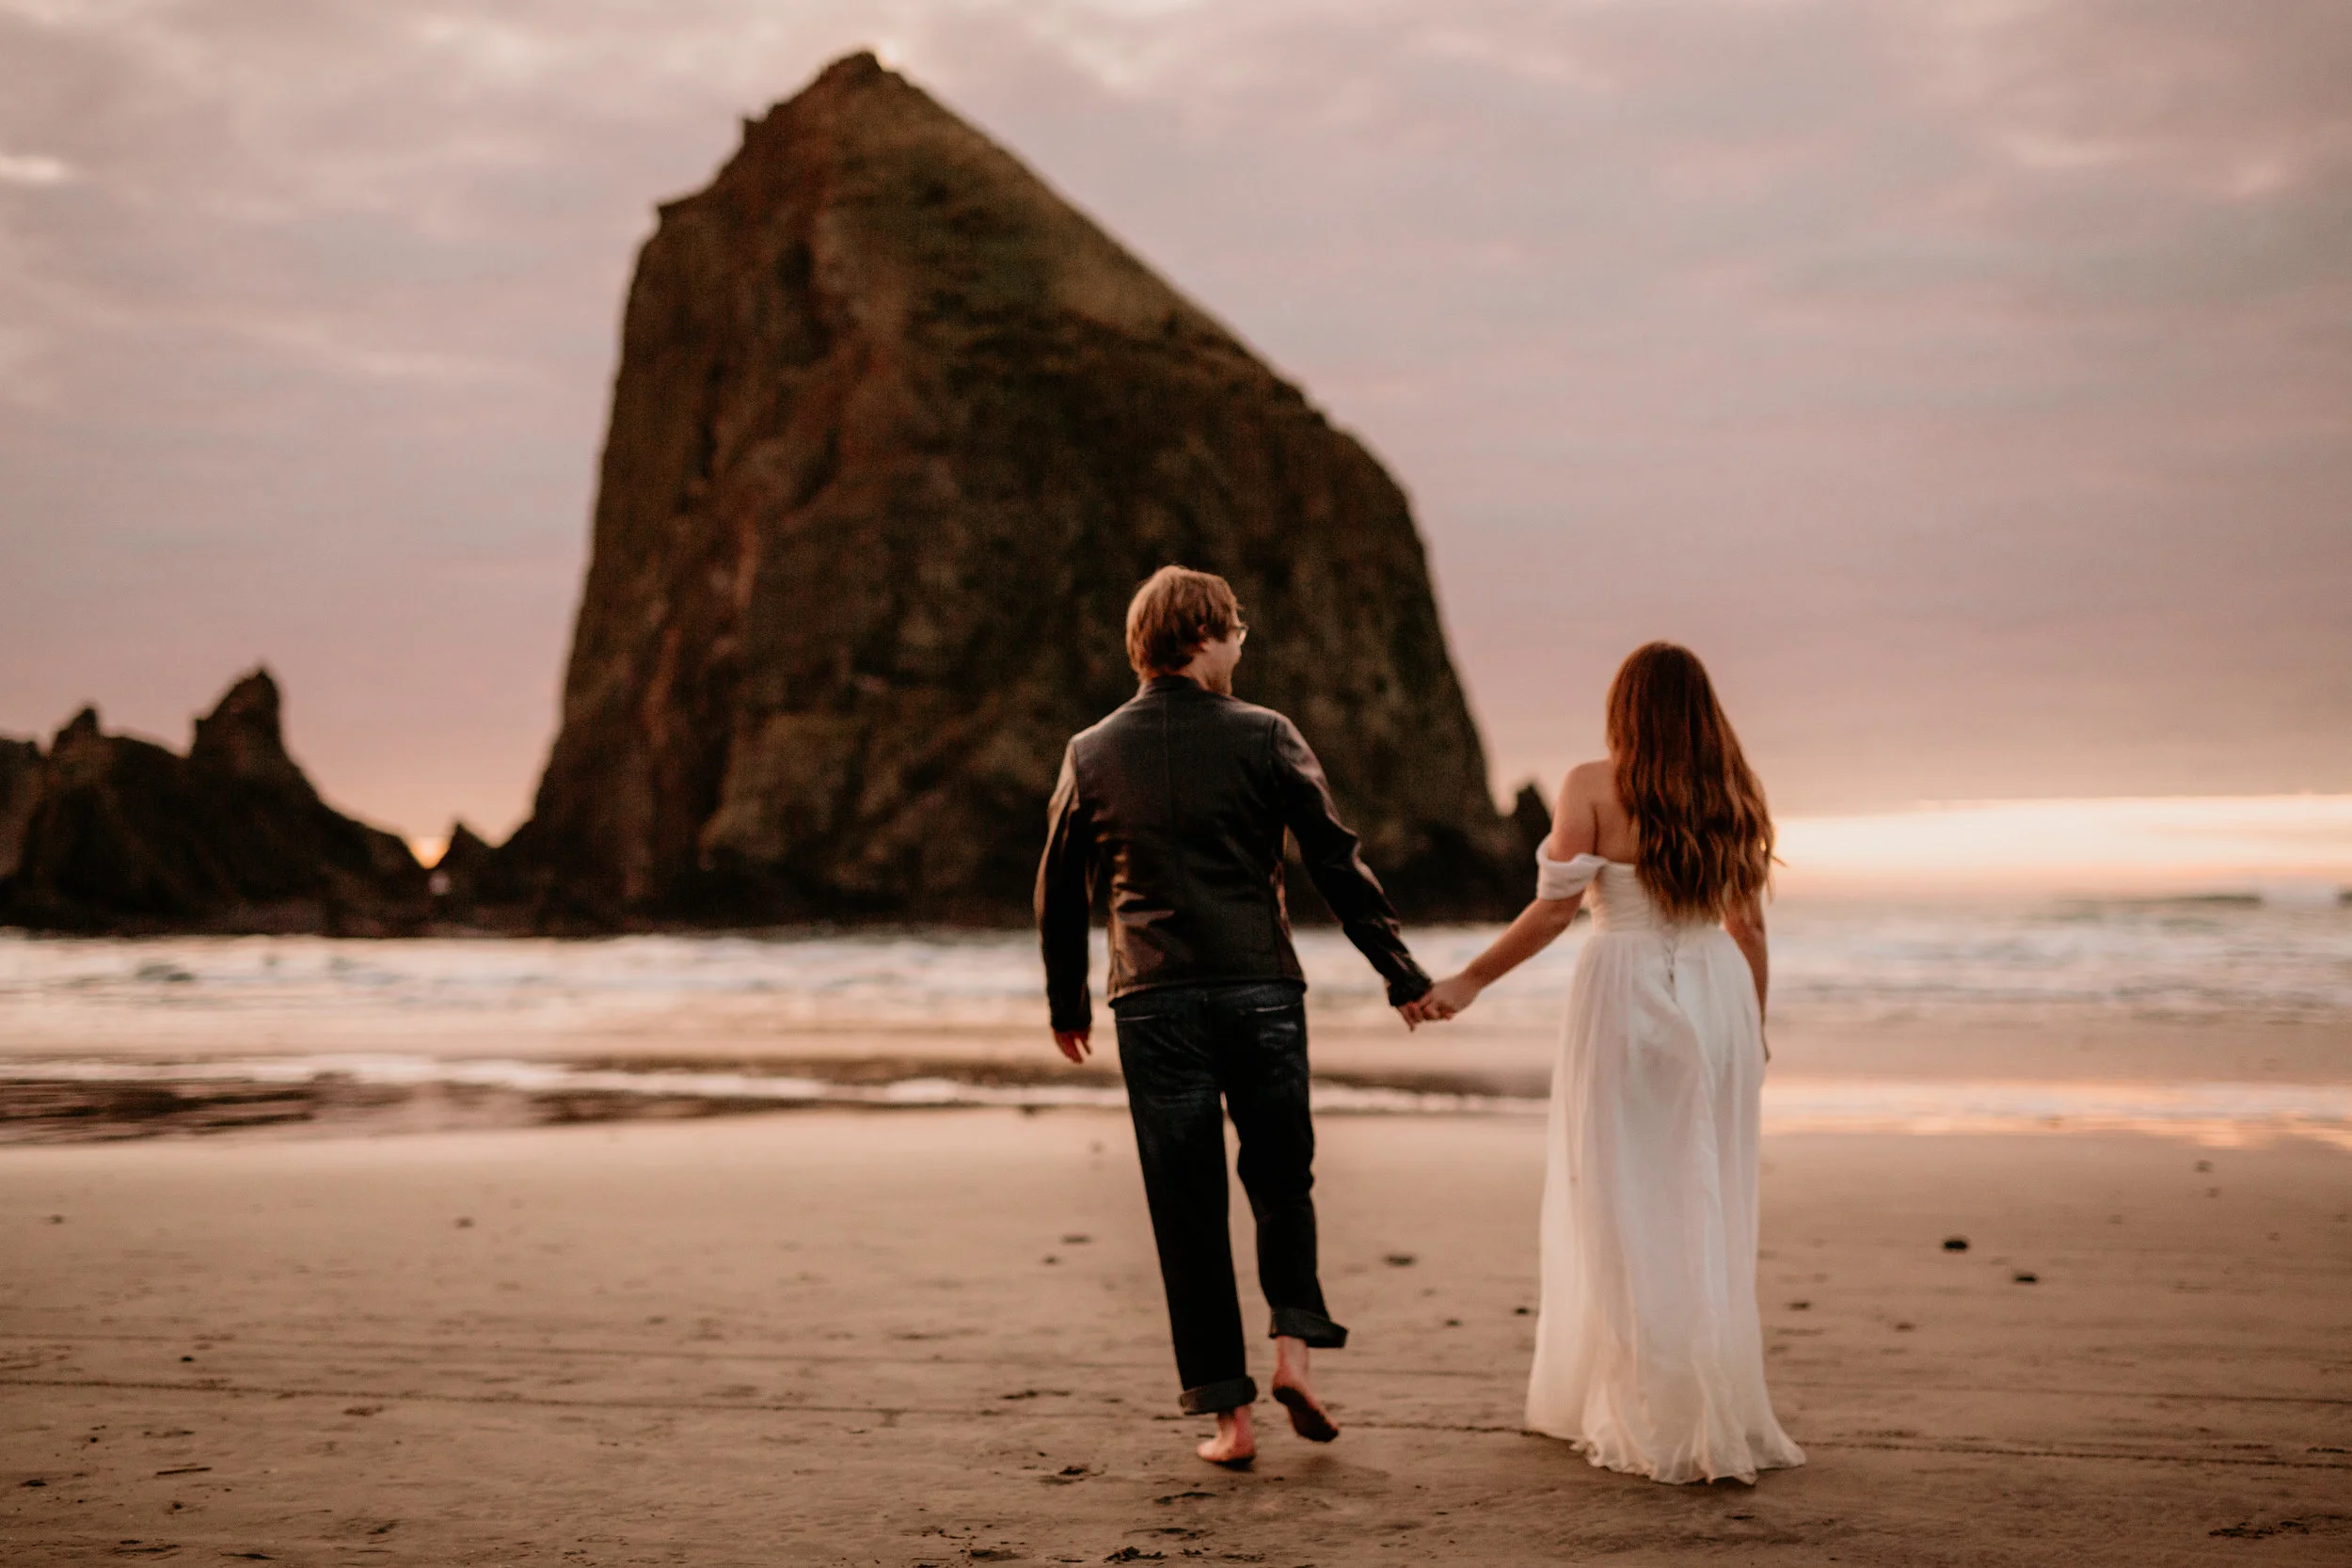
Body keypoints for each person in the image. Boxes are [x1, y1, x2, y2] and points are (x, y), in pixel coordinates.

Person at [1036, 565, 1433, 1468]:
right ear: (1204, 635)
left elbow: (1060, 888)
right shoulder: (1266, 735)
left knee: (1186, 1206)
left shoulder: (1090, 750)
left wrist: (1065, 1001)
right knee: (1282, 1175)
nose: (1242, 645)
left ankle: (1229, 1420)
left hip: (1153, 1000)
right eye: (1237, 631)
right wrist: (1398, 971)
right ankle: (1293, 1352)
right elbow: (1337, 861)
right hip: (1259, 991)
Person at [1408, 641, 1805, 1485]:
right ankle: (1705, 1395)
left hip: (1625, 991)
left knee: (1624, 1194)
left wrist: (1470, 980)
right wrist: (1754, 1031)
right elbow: (1751, 929)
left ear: (1624, 706)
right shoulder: (1735, 788)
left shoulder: (1593, 782)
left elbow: (1555, 913)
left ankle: (1644, 1395)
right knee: (1708, 1194)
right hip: (1720, 995)